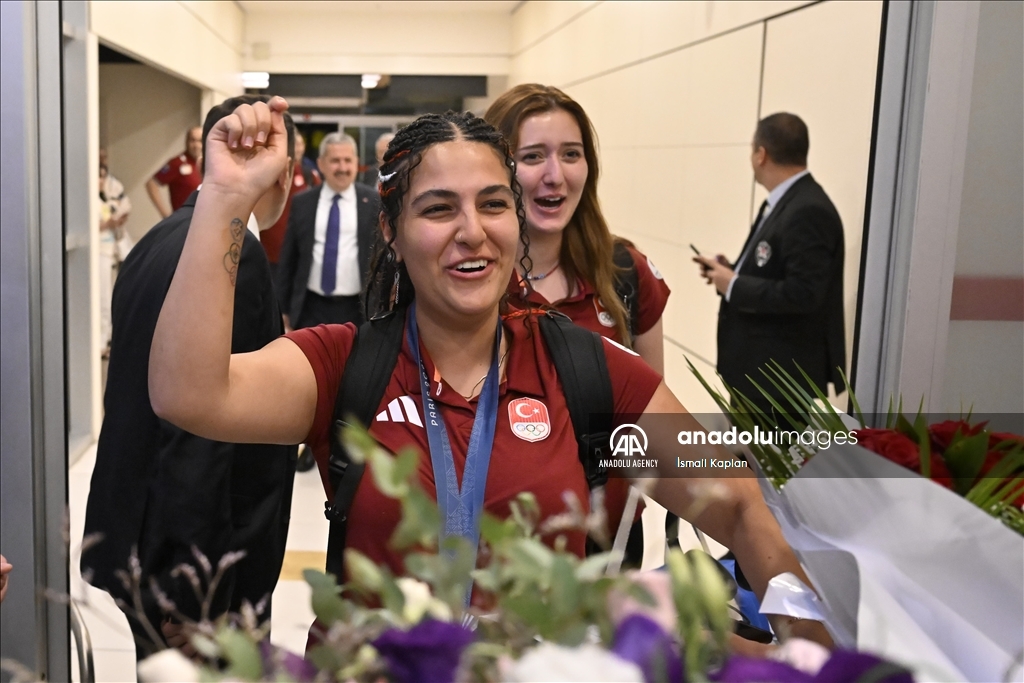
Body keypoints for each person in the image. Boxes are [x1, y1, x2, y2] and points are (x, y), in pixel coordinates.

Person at [148, 98, 832, 651]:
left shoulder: (590, 372)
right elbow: (189, 392)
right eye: (438, 208)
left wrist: (811, 648)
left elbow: (742, 503)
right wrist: (226, 196)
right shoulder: (345, 363)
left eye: (493, 203)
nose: (472, 230)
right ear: (390, 231)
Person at [82, 96, 299, 660]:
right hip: (189, 569)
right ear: (287, 173)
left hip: (139, 539)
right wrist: (198, 592)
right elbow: (201, 433)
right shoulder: (237, 260)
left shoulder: (156, 241)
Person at [485, 84, 671, 564]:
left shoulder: (625, 274)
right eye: (532, 156)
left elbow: (650, 421)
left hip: (606, 543)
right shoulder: (470, 279)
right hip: (497, 545)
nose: (555, 175)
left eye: (571, 154)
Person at [693, 113, 845, 414]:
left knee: (762, 461)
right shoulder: (785, 203)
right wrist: (731, 270)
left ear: (761, 154)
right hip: (759, 377)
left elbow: (803, 293)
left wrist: (734, 285)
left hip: (776, 383)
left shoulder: (808, 210)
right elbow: (774, 269)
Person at [278, 132, 379, 332]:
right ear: (321, 164)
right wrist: (283, 309)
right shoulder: (303, 202)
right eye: (335, 161)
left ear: (356, 163)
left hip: (357, 311)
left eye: (347, 160)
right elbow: (289, 259)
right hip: (310, 309)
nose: (342, 168)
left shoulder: (373, 202)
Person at [260, 131, 321, 290]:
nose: (297, 148)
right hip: (269, 252)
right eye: (294, 144)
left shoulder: (310, 176)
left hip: (297, 253)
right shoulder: (269, 174)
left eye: (300, 144)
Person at [98, 150, 132, 354]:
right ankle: (101, 343)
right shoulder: (90, 202)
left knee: (109, 297)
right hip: (99, 253)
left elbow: (123, 205)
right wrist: (107, 223)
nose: (101, 181)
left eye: (103, 177)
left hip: (110, 252)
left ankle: (107, 339)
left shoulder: (105, 200)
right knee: (101, 298)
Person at [146, 126, 203, 218]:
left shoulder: (206, 163)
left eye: (200, 141)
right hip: (183, 220)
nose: (196, 145)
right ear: (187, 142)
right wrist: (165, 215)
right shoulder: (177, 163)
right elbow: (151, 184)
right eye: (192, 140)